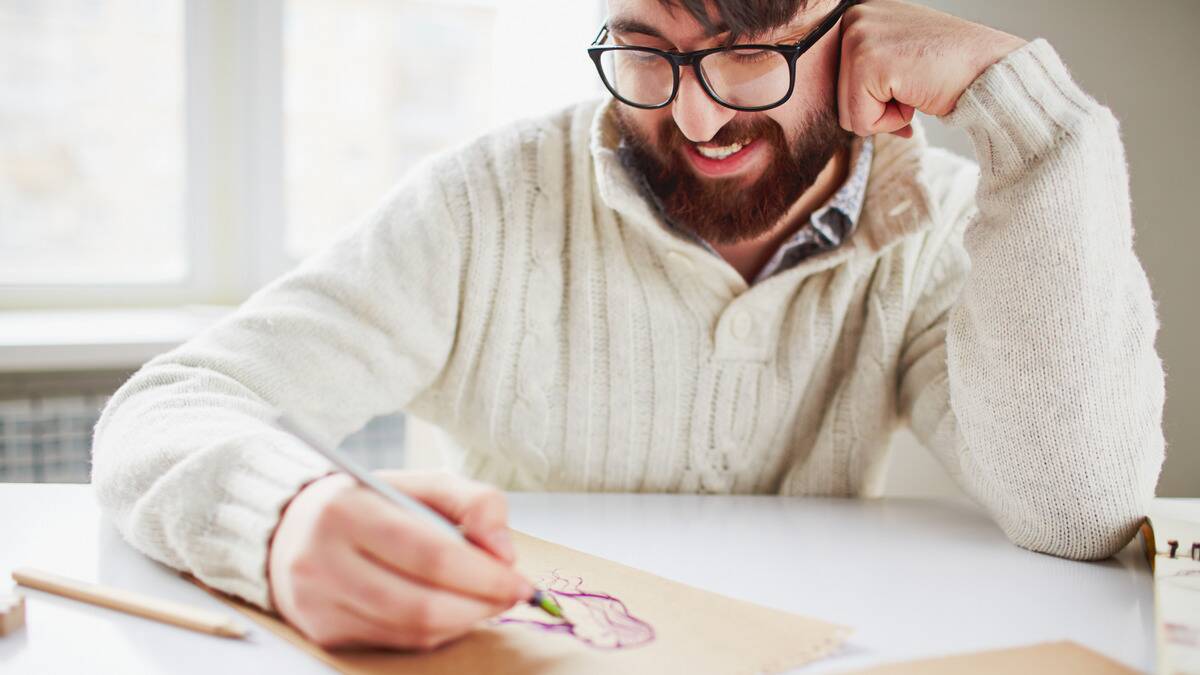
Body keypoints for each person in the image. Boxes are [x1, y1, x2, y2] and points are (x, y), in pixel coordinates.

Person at [91, 0, 1165, 652]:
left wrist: (1034, 124)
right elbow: (170, 408)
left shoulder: (924, 229)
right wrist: (277, 522)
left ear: (856, 36)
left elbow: (1077, 515)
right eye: (645, 50)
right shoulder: (488, 202)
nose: (694, 118)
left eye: (751, 54)